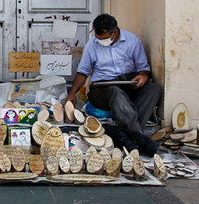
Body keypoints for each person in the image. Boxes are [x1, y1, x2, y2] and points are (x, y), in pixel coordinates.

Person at [66, 13, 161, 155]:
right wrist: (72, 94)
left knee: (154, 89)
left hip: (128, 83)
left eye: (103, 38)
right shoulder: (92, 45)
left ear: (114, 32)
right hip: (102, 89)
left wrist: (142, 76)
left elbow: (144, 68)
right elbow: (83, 72)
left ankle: (129, 134)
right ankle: (138, 136)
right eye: (98, 38)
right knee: (114, 91)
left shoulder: (132, 41)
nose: (100, 41)